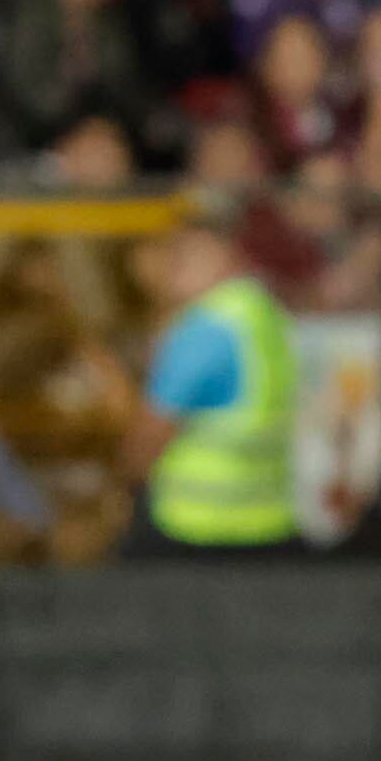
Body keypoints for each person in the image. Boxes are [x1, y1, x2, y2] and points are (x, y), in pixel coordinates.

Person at [123, 217, 300, 554]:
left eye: (188, 254)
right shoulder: (264, 313)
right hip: (266, 517)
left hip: (194, 523)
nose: (174, 265)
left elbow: (151, 431)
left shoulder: (205, 328)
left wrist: (122, 483)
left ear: (226, 256)